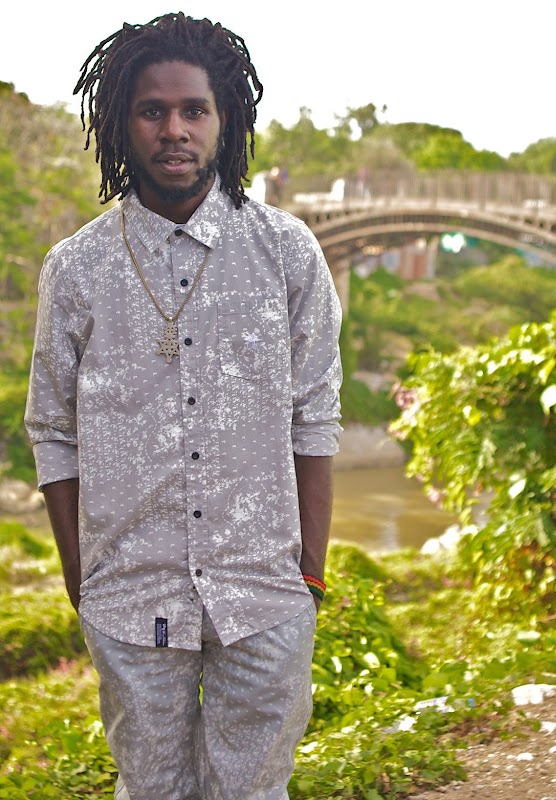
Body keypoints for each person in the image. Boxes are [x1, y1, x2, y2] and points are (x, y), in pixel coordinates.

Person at [25, 12, 342, 800]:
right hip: (129, 600)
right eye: (152, 110)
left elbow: (315, 415)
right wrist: (81, 580)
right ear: (121, 123)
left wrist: (309, 573)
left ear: (224, 118)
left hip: (266, 596)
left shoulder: (287, 254)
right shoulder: (77, 270)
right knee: (151, 790)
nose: (175, 130)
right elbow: (53, 430)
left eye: (194, 110)